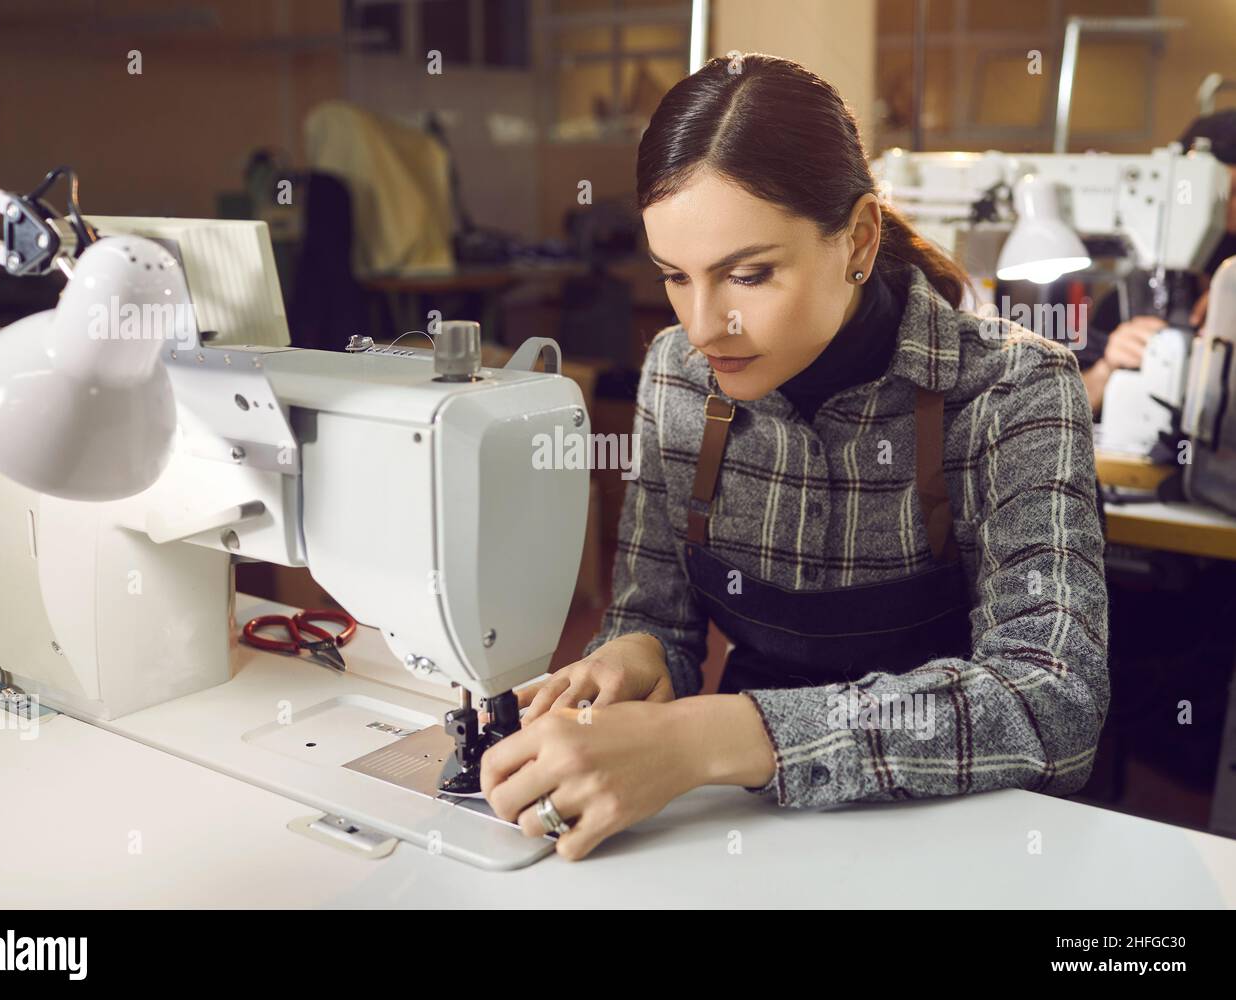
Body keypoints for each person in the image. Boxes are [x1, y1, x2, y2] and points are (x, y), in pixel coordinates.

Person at [480, 54, 1109, 861]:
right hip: (749, 831)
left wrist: (714, 736)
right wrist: (632, 654)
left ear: (858, 238)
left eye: (749, 274)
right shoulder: (678, 374)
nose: (706, 326)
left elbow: (1053, 702)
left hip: (964, 840)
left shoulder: (1013, 391)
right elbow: (655, 619)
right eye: (675, 276)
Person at [1078, 110, 1236, 415]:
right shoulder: (1131, 300)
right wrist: (1107, 368)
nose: (1231, 212)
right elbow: (1072, 408)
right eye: (1223, 196)